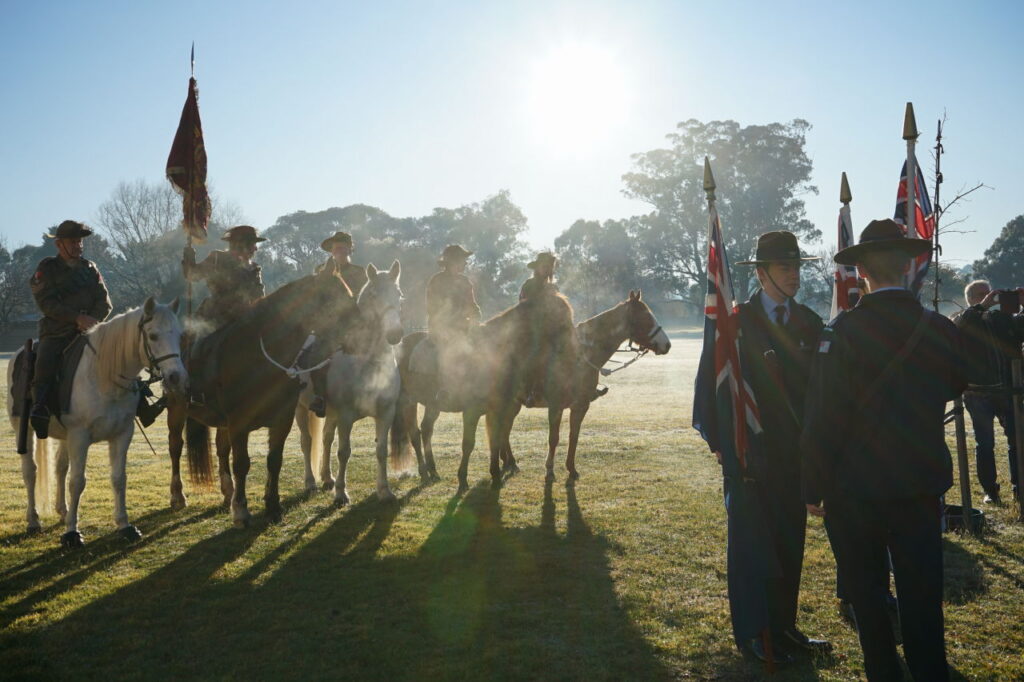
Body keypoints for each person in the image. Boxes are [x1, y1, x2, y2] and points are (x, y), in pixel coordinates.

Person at [801, 219, 967, 681]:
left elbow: (822, 417)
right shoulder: (938, 328)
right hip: (918, 485)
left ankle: (883, 672)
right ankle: (929, 670)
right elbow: (957, 383)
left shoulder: (841, 332)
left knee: (868, 596)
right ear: (911, 267)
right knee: (922, 594)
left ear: (863, 273)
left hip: (855, 490)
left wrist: (812, 485)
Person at [716, 230, 829, 664]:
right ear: (761, 274)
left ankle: (785, 628)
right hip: (750, 453)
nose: (795, 275)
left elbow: (819, 391)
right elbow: (715, 384)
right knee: (751, 547)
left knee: (789, 543)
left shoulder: (810, 322)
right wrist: (727, 445)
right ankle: (754, 632)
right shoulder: (735, 322)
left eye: (798, 266)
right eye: (785, 267)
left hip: (794, 455)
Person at [28, 220, 113, 438]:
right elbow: (46, 302)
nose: (78, 246)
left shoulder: (90, 269)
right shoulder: (47, 268)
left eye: (79, 241)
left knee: (120, 354)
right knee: (45, 362)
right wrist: (76, 318)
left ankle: (136, 402)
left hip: (91, 331)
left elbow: (105, 302)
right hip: (57, 332)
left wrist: (92, 320)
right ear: (59, 245)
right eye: (73, 242)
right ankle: (41, 408)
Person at [953, 279, 1023, 503]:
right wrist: (982, 305)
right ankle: (990, 491)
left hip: (1008, 390)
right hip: (977, 394)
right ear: (972, 299)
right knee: (985, 444)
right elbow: (960, 327)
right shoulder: (963, 319)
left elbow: (1020, 328)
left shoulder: (1001, 319)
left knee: (1017, 441)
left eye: (991, 293)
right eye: (983, 294)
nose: (991, 297)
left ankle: (1019, 488)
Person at [307, 231, 368, 417]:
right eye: (336, 249)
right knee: (315, 356)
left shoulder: (359, 272)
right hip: (327, 327)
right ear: (331, 252)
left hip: (353, 325)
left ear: (350, 249)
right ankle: (320, 398)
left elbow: (364, 300)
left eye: (343, 247)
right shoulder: (321, 270)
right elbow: (316, 296)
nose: (339, 251)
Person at [424, 244, 481, 405]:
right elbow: (432, 308)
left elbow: (472, 305)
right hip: (441, 328)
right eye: (463, 260)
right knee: (447, 349)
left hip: (463, 327)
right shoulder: (437, 280)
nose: (465, 263)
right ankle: (444, 388)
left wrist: (476, 314)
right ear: (452, 261)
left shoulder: (465, 282)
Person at [182, 224, 266, 332]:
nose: (255, 248)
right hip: (213, 318)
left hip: (244, 320)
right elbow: (192, 275)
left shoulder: (254, 269)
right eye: (251, 244)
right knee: (193, 341)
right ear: (239, 245)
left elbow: (259, 297)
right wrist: (189, 256)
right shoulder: (217, 258)